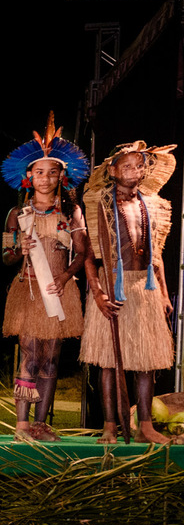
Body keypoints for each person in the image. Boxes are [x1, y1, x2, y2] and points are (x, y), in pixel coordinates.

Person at [0, 114, 90, 442]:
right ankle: (22, 423)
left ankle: (41, 423)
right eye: (39, 172)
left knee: (51, 358)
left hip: (58, 290)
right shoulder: (16, 216)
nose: (45, 178)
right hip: (28, 291)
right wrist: (18, 250)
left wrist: (66, 276)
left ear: (61, 176)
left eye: (52, 172)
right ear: (29, 176)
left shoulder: (71, 213)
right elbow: (5, 257)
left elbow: (82, 254)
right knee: (30, 355)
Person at [80, 141, 177, 444]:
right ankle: (110, 425)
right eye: (127, 166)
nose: (135, 171)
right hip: (112, 288)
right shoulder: (101, 205)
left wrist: (162, 293)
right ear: (112, 170)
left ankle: (145, 426)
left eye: (138, 165)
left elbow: (157, 255)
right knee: (109, 360)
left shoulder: (153, 205)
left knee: (146, 361)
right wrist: (97, 294)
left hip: (144, 289)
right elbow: (89, 256)